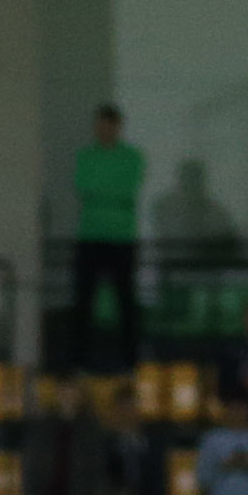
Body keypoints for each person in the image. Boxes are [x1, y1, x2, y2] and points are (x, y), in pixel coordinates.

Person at [72, 107, 147, 371]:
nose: (104, 130)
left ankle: (130, 363)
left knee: (126, 301)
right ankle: (79, 362)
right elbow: (83, 187)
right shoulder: (85, 157)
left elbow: (128, 189)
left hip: (122, 238)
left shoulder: (133, 158)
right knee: (84, 302)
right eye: (100, 125)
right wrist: (111, 194)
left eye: (109, 125)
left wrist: (101, 192)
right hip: (90, 236)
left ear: (118, 127)